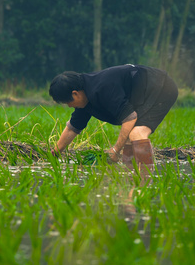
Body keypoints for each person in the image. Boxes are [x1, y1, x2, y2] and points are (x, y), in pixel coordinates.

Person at [49, 64, 178, 182]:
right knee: (128, 140)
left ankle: (145, 181)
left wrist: (115, 150)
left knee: (136, 134)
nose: (70, 106)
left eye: (68, 103)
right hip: (143, 95)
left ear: (75, 93)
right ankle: (132, 178)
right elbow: (72, 128)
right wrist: (54, 153)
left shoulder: (102, 88)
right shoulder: (85, 99)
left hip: (161, 88)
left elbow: (129, 118)